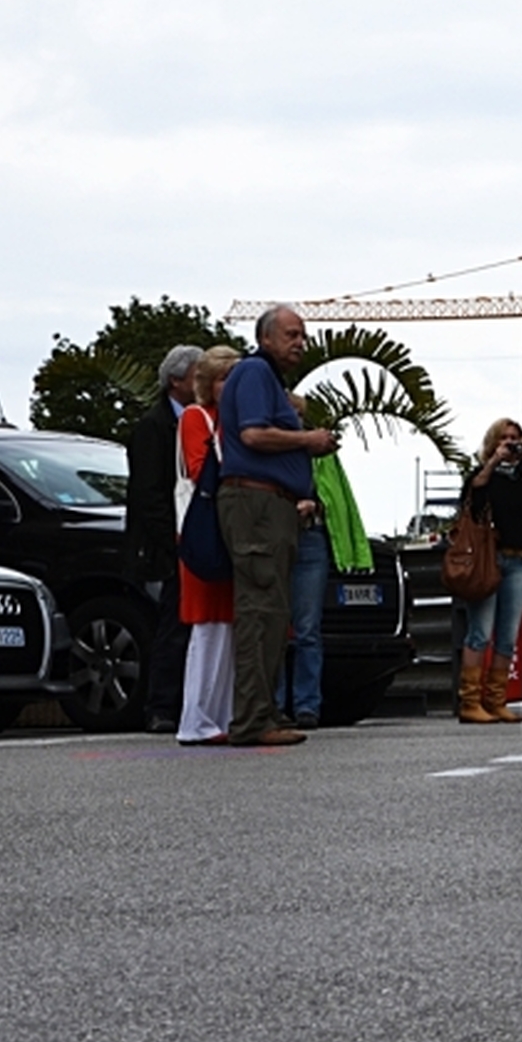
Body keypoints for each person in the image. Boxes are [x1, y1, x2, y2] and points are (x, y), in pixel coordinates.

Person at [214, 306, 336, 748]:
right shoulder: (254, 373)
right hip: (257, 505)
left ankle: (262, 712)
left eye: (302, 335)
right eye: (291, 334)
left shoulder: (266, 378)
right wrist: (307, 440)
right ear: (265, 338)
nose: (300, 342)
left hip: (271, 505)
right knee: (261, 612)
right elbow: (252, 435)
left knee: (271, 612)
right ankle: (252, 720)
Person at [279, 391, 373, 731]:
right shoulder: (269, 450)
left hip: (311, 538)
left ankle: (307, 705)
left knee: (307, 628)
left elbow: (338, 497)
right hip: (276, 536)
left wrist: (315, 505)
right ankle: (273, 704)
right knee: (274, 626)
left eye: (296, 414)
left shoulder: (321, 451)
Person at [454, 417, 522, 725]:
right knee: (480, 632)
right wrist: (495, 461)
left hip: (518, 559)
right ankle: (469, 700)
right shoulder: (486, 475)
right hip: (488, 559)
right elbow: (472, 496)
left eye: (515, 438)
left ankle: (495, 699)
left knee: (508, 635)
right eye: (504, 439)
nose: (510, 444)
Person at [126, 346, 203, 732]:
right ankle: (161, 706)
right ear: (177, 381)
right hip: (168, 545)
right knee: (172, 625)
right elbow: (149, 494)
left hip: (190, 539)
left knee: (190, 625)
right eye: (197, 376)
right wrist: (172, 543)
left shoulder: (200, 422)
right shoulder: (153, 428)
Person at [174, 347, 241, 745]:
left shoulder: (224, 420)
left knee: (227, 626)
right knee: (208, 626)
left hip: (226, 530)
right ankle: (198, 717)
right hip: (206, 531)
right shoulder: (196, 419)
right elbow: (199, 470)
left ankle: (222, 716)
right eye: (223, 379)